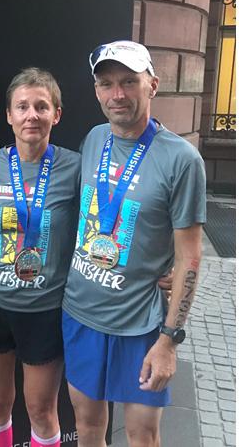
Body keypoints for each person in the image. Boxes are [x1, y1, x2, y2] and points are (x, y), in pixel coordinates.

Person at [62, 40, 206, 447]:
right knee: (88, 427)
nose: (117, 94)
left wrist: (169, 339)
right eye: (106, 84)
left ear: (152, 85)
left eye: (129, 81)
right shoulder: (94, 139)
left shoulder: (182, 159)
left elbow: (190, 255)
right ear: (96, 91)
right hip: (81, 313)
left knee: (142, 436)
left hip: (140, 325)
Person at [0, 68, 80, 447]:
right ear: (9, 115)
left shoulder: (76, 167)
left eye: (42, 106)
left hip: (44, 308)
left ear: (57, 114)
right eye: (22, 107)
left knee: (42, 410)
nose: (31, 115)